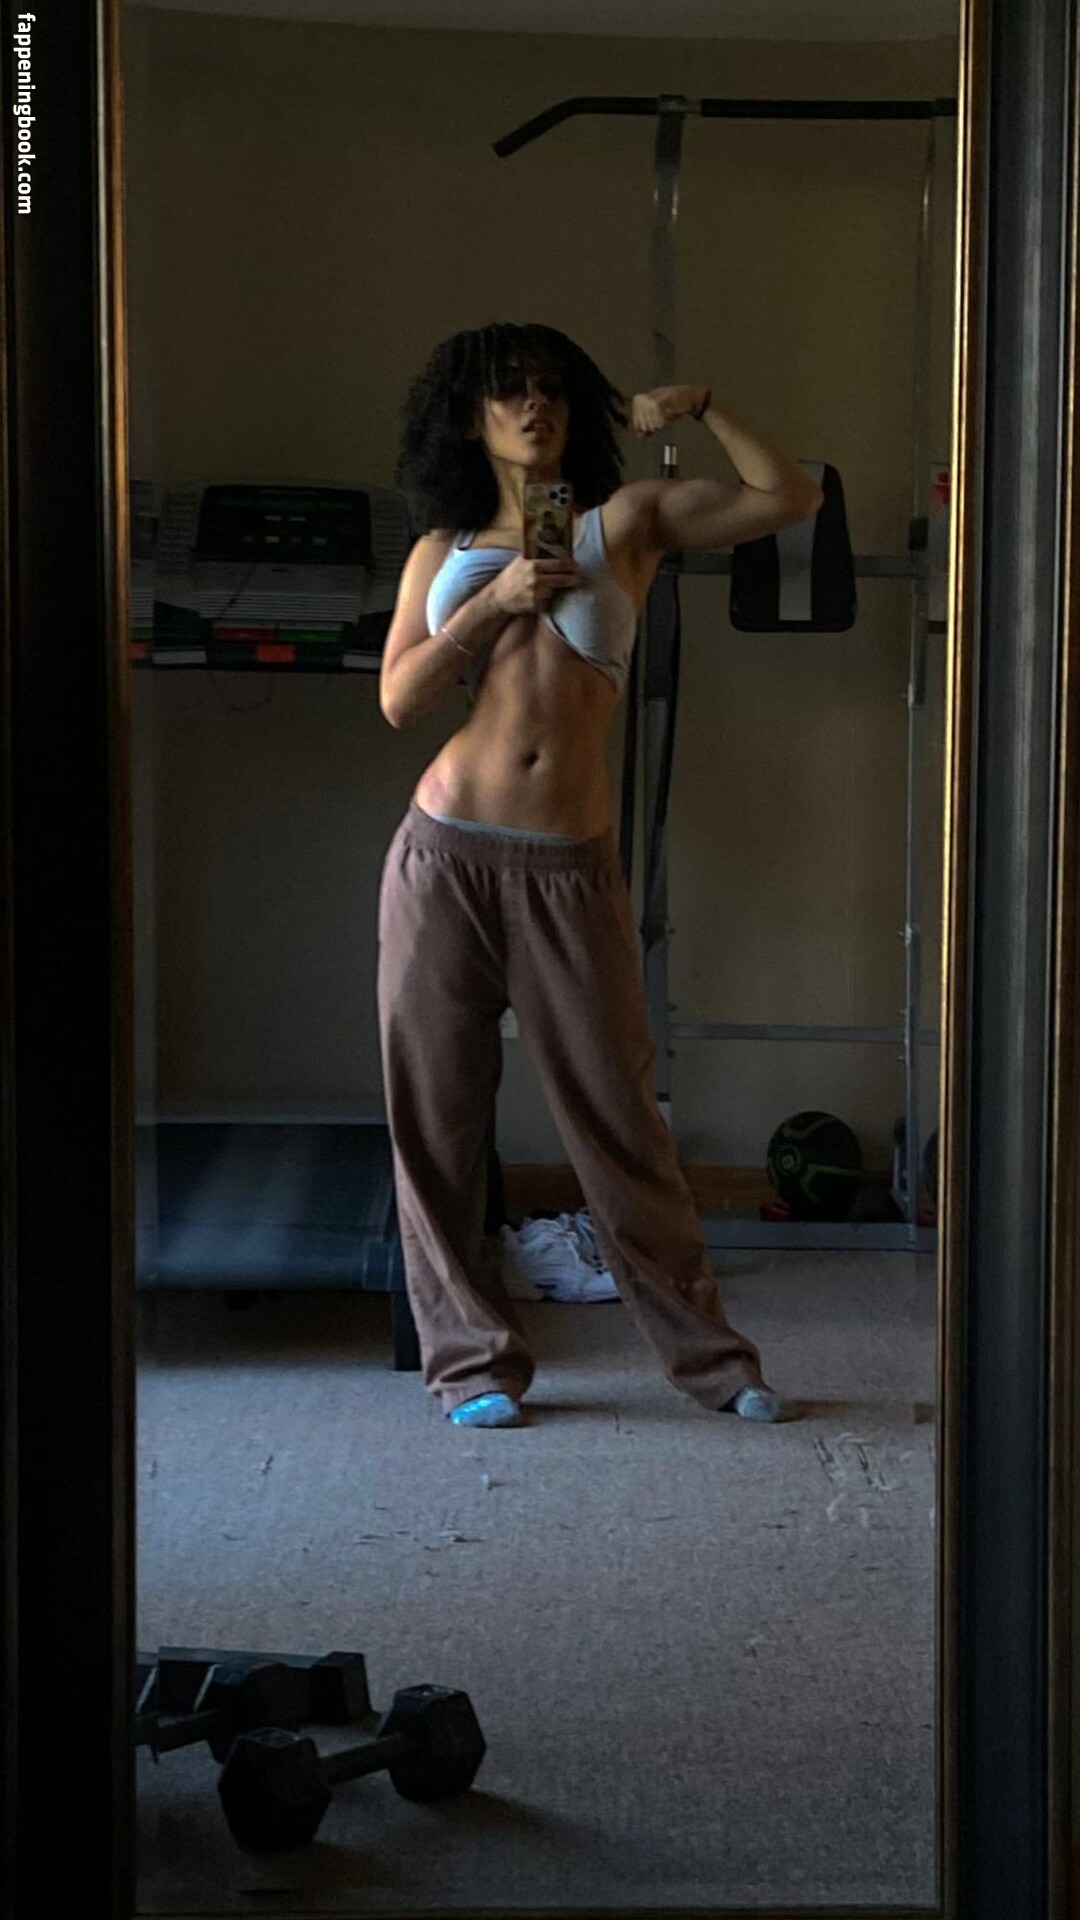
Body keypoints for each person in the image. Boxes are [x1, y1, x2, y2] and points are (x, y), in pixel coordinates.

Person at [377, 322, 823, 1430]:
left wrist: (706, 403)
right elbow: (398, 699)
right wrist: (490, 606)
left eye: (551, 391)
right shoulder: (441, 548)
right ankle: (473, 1366)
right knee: (436, 1115)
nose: (534, 408)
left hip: (567, 867)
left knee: (621, 1119)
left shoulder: (622, 524)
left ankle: (713, 1362)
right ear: (469, 416)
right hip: (444, 852)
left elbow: (789, 497)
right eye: (508, 393)